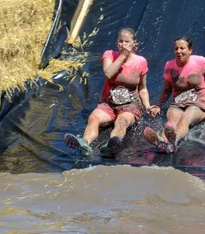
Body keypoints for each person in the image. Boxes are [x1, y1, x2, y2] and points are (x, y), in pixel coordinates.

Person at [64, 28, 153, 156]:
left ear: (134, 44)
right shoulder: (109, 55)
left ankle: (111, 144)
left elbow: (143, 88)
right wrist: (122, 56)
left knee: (122, 122)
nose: (123, 44)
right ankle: (84, 143)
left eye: (127, 41)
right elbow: (108, 73)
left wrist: (148, 106)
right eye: (120, 41)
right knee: (93, 118)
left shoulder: (140, 62)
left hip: (130, 105)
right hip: (109, 104)